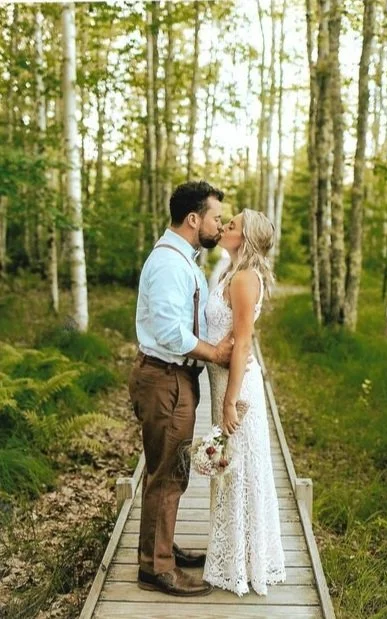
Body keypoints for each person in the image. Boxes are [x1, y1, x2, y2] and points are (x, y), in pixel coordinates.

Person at [131, 180, 233, 597]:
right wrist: (215, 353)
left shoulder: (182, 258)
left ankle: (160, 549)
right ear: (194, 219)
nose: (219, 225)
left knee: (170, 470)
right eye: (215, 218)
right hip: (165, 378)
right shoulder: (170, 263)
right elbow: (171, 331)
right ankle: (157, 568)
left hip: (173, 378)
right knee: (167, 474)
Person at [202, 208, 286, 595]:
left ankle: (245, 563)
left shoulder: (244, 279)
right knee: (230, 466)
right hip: (222, 381)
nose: (224, 227)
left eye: (232, 225)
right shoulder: (228, 271)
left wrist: (230, 401)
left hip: (237, 387)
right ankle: (234, 556)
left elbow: (243, 342)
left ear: (245, 239)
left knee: (240, 468)